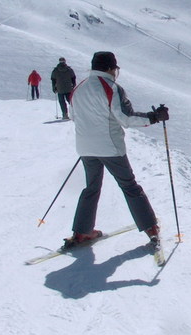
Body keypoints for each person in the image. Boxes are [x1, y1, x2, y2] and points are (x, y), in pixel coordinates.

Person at [64, 51, 169, 249]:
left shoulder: (79, 88)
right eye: (115, 69)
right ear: (111, 68)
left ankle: (81, 232)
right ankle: (151, 228)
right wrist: (154, 117)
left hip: (85, 147)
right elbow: (126, 118)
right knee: (129, 186)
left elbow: (73, 116)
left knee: (91, 188)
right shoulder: (112, 88)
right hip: (110, 148)